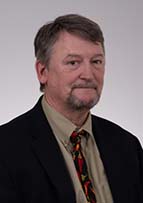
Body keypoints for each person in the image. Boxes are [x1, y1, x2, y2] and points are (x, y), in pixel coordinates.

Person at [0, 14, 142, 203]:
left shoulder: (127, 146)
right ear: (43, 72)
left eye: (96, 61)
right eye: (73, 62)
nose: (88, 74)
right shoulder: (6, 148)